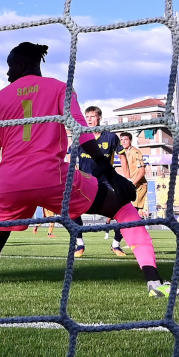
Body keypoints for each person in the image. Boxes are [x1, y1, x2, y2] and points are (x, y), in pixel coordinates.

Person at [0, 42, 179, 298]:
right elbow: (81, 133)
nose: (7, 74)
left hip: (9, 185)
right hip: (52, 177)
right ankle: (154, 282)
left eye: (10, 67)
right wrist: (109, 172)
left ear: (24, 64)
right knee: (122, 208)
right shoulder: (60, 88)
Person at [73, 106, 127, 258]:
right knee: (72, 209)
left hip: (106, 181)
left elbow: (122, 156)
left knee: (125, 209)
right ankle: (80, 244)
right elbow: (71, 157)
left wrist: (126, 176)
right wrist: (74, 172)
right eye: (87, 116)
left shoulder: (111, 137)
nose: (89, 119)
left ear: (99, 118)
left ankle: (116, 244)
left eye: (92, 116)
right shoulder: (80, 135)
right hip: (84, 180)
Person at [118, 132, 148, 219]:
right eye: (121, 140)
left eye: (126, 140)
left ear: (130, 141)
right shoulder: (123, 153)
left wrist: (132, 184)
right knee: (127, 211)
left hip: (139, 186)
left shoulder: (136, 153)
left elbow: (142, 172)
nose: (123, 142)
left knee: (132, 212)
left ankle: (138, 230)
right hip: (131, 185)